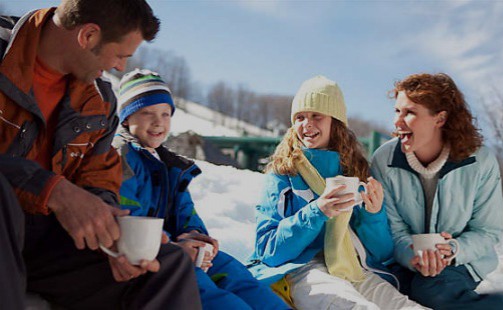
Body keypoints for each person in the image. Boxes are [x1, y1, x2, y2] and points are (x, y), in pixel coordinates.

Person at [0, 1, 201, 309]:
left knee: (167, 264)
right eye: (121, 55)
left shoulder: (99, 101)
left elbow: (99, 178)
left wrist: (111, 237)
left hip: (43, 244)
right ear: (88, 36)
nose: (121, 67)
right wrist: (52, 190)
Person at [115, 68, 289, 310]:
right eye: (147, 112)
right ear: (126, 118)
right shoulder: (122, 156)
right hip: (151, 256)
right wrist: (174, 248)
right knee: (203, 290)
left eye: (166, 114)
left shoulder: (169, 166)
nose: (158, 122)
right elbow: (126, 218)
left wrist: (196, 237)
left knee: (232, 271)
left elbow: (185, 210)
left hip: (176, 249)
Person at [249, 75, 422, 309]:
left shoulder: (355, 171)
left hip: (353, 266)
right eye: (300, 117)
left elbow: (381, 253)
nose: (306, 124)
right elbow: (268, 250)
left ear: (335, 122)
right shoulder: (283, 173)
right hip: (302, 268)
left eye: (316, 116)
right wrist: (317, 210)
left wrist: (374, 213)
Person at [370, 73, 503, 309]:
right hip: (404, 259)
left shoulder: (480, 161)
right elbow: (392, 228)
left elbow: (487, 230)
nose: (397, 122)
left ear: (440, 118)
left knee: (432, 291)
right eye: (397, 111)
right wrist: (412, 254)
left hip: (462, 260)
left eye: (410, 113)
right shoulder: (384, 159)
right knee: (387, 291)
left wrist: (452, 250)